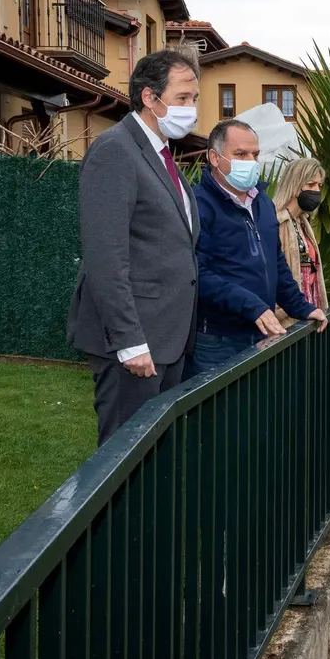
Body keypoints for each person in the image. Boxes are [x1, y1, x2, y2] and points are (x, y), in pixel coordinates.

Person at [67, 49, 201, 446]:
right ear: (149, 97)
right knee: (122, 459)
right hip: (136, 344)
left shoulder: (161, 155)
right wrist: (129, 342)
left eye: (194, 99)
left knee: (153, 454)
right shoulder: (116, 150)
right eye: (182, 99)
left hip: (168, 338)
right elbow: (105, 257)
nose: (190, 109)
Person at [189, 120, 328, 376]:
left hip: (260, 333)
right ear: (214, 158)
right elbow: (198, 273)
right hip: (218, 339)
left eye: (255, 154)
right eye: (240, 154)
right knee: (220, 415)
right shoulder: (197, 204)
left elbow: (275, 263)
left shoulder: (262, 203)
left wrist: (303, 307)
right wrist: (251, 306)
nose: (250, 161)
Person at [274, 157, 329, 327]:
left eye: (319, 186)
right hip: (286, 321)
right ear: (296, 185)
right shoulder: (277, 222)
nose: (316, 191)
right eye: (311, 184)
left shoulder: (303, 222)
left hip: (307, 313)